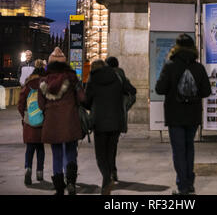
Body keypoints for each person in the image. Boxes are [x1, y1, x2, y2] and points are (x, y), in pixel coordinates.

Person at [155, 33, 211, 195]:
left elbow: (160, 89)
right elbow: (206, 91)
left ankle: (182, 186)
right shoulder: (198, 67)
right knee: (189, 147)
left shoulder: (170, 65)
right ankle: (190, 183)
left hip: (175, 114)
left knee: (179, 150)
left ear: (176, 47)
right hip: (193, 114)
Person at [84, 59, 136, 195]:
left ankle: (106, 179)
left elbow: (86, 101)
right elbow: (132, 90)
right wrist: (123, 103)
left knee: (100, 155)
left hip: (99, 122)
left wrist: (93, 106)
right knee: (111, 150)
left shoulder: (93, 79)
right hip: (116, 120)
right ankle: (110, 175)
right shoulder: (117, 76)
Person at [38, 47, 85, 196]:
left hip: (52, 122)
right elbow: (82, 98)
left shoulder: (43, 80)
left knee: (56, 153)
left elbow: (40, 104)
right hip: (70, 120)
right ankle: (71, 182)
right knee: (71, 151)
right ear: (65, 63)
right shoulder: (71, 77)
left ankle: (59, 187)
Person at [106, 56, 136, 182]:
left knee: (103, 146)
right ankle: (112, 169)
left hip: (102, 117)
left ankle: (106, 171)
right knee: (113, 145)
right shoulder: (122, 78)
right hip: (117, 117)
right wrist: (125, 106)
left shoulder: (99, 77)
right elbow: (133, 92)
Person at [17, 59, 46, 185]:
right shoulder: (44, 83)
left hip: (29, 119)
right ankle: (40, 172)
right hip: (42, 120)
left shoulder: (28, 84)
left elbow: (20, 103)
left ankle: (28, 168)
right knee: (40, 148)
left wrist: (24, 115)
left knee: (30, 148)